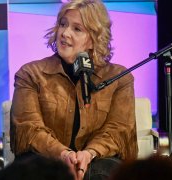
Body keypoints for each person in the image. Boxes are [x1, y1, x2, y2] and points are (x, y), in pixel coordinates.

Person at [10, 0, 138, 179]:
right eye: (63, 24)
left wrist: (89, 153)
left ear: (94, 38)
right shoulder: (31, 74)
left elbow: (118, 129)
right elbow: (30, 129)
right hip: (45, 160)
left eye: (77, 29)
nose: (65, 33)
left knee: (104, 172)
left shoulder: (119, 77)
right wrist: (64, 154)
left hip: (98, 160)